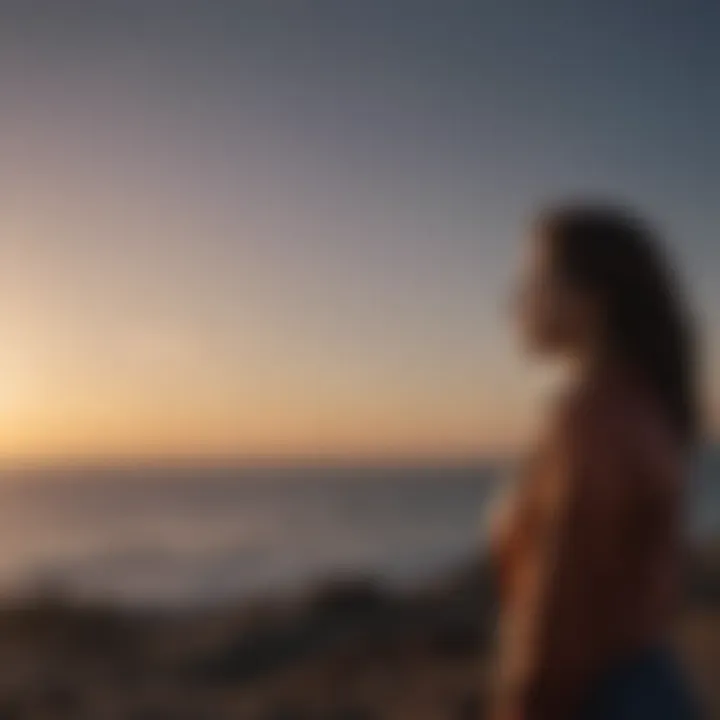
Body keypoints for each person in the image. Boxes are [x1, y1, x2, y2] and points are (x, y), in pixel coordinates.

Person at [491, 203, 702, 719]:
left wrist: (523, 704)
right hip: (647, 683)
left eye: (534, 280)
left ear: (594, 298)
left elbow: (560, 609)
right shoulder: (642, 404)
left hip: (601, 696)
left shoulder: (594, 416)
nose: (514, 301)